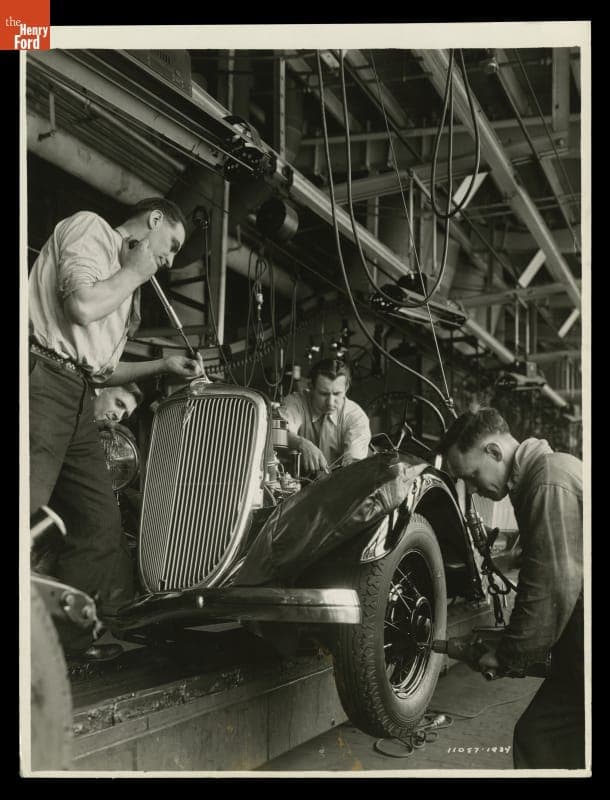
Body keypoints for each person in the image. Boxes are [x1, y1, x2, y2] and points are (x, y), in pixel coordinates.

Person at [29, 197, 204, 634]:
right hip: (41, 378)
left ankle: (74, 638)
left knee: (99, 518)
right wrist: (135, 273)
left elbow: (101, 371)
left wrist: (163, 365)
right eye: (172, 245)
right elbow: (81, 306)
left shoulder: (126, 286)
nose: (169, 261)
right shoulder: (92, 229)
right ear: (155, 219)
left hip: (77, 393)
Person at [437, 407, 584, 770]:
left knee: (540, 739)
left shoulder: (547, 481)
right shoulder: (548, 473)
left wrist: (508, 656)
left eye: (472, 476)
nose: (474, 489)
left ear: (494, 451)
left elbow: (551, 589)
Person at [279, 358, 371, 474]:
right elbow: (276, 433)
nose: (330, 403)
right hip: (293, 482)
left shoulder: (356, 417)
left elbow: (354, 467)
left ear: (346, 387)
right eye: (323, 394)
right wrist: (300, 443)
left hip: (339, 483)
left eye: (337, 394)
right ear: (311, 387)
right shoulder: (296, 403)